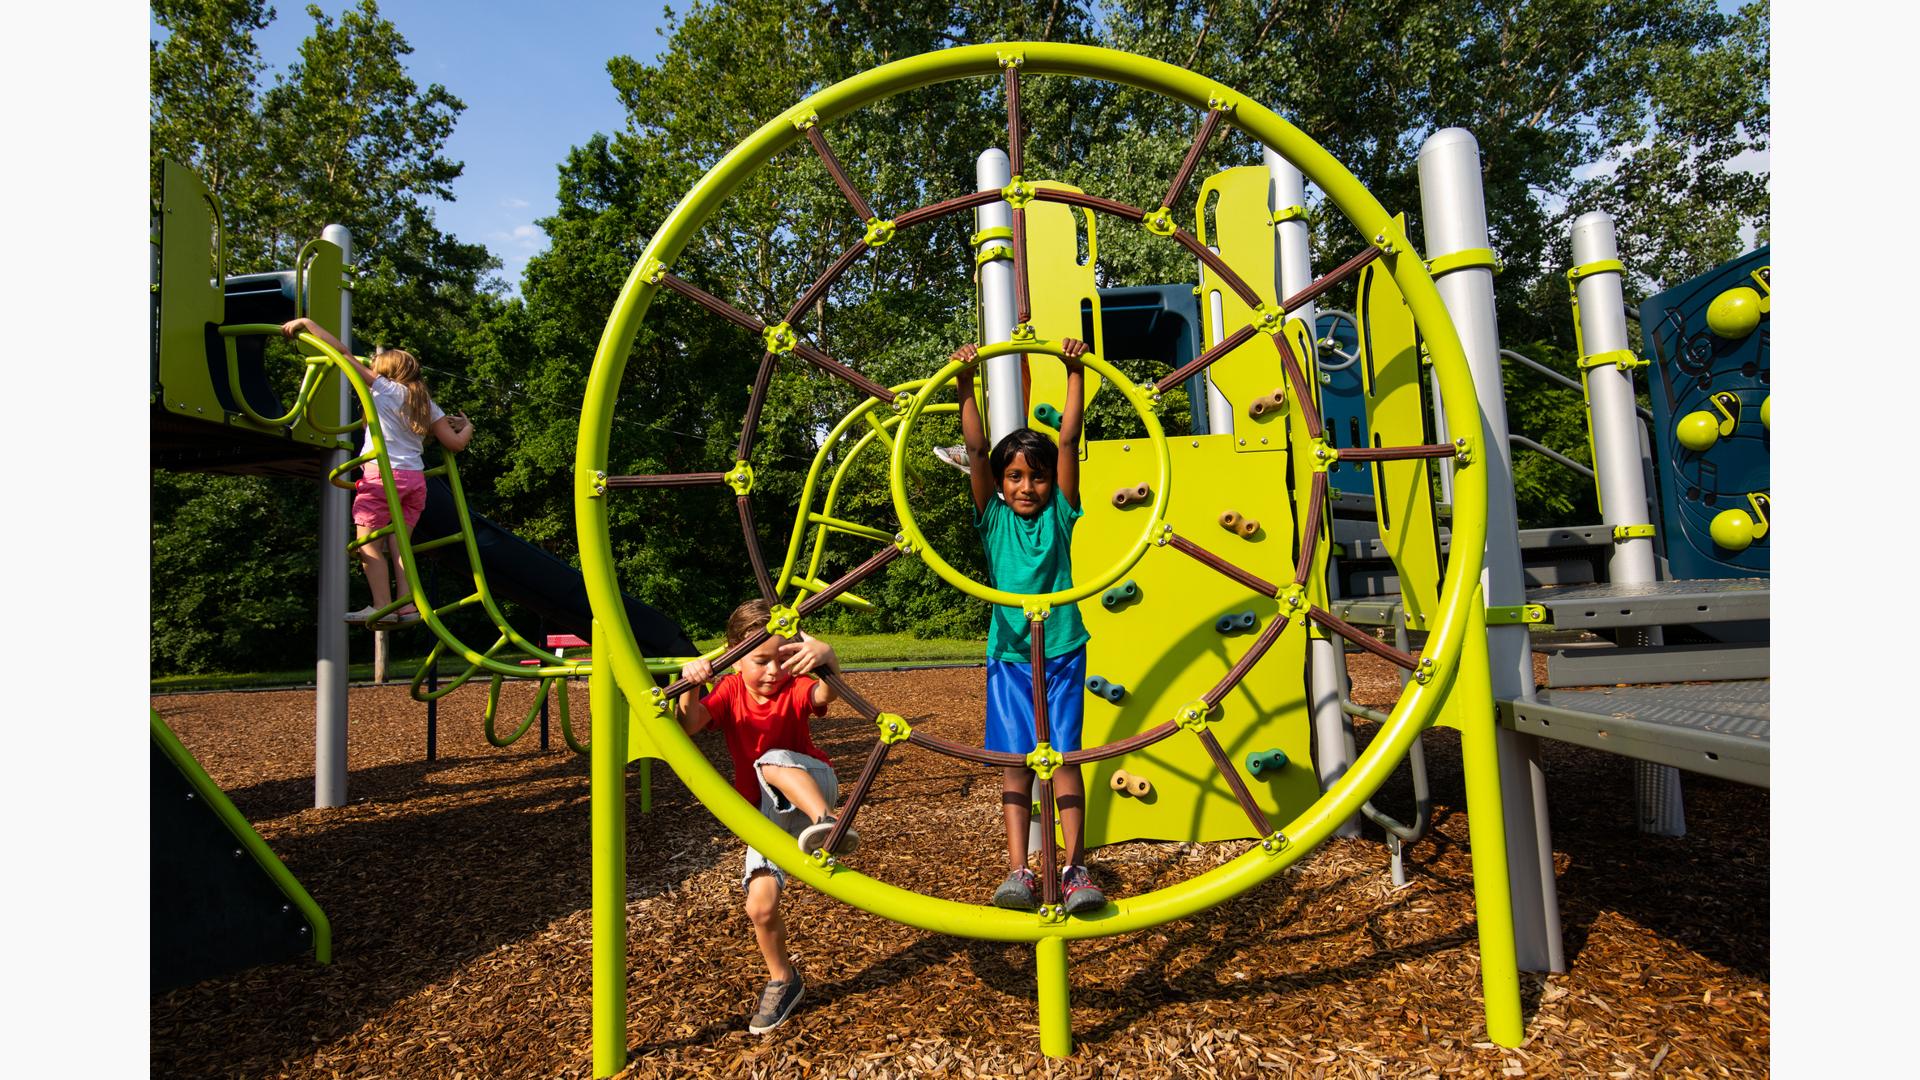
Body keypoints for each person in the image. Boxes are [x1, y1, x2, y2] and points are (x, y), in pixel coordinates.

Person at [952, 338, 1107, 915]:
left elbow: (1067, 439)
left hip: (1063, 647)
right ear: (999, 482)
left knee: (1064, 756)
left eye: (1036, 477)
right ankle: (1018, 868)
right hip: (1010, 654)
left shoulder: (1062, 513)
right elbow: (974, 447)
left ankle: (1073, 868)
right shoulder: (992, 515)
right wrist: (966, 385)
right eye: (1014, 476)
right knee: (1017, 760)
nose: (1026, 486)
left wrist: (1073, 372)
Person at [675, 600, 859, 1034]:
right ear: (734, 657)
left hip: (814, 784)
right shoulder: (731, 692)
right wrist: (690, 683)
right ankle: (783, 979)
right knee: (759, 907)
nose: (774, 671)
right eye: (761, 660)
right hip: (767, 812)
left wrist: (828, 659)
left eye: (783, 659)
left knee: (770, 759)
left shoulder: (794, 686)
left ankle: (828, 826)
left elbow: (824, 693)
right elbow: (691, 724)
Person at [280, 317, 472, 627]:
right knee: (400, 546)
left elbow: (341, 353)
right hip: (415, 481)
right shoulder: (428, 404)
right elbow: (455, 444)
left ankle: (382, 605)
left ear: (387, 373)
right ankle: (407, 604)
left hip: (383, 478)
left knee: (367, 544)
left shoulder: (386, 390)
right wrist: (469, 428)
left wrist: (308, 324)